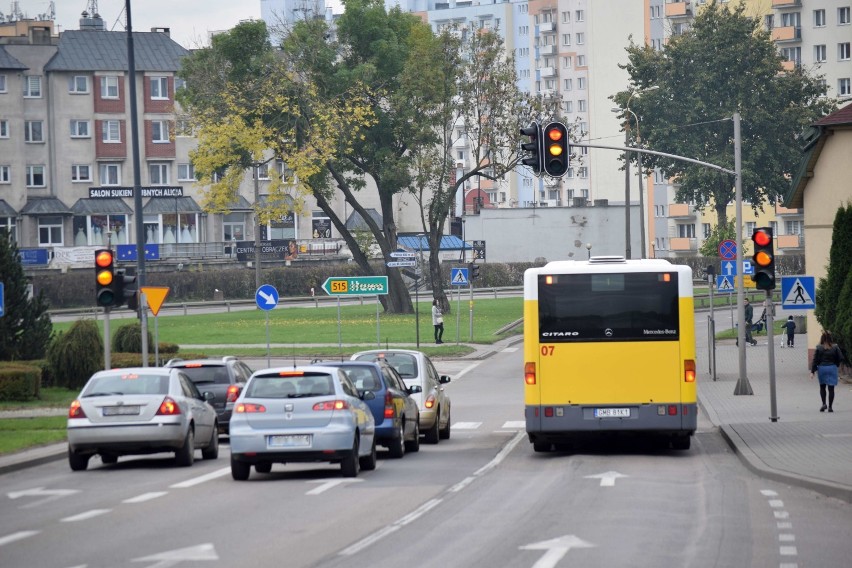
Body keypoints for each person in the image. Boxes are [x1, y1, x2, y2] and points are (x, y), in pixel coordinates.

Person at [810, 331, 847, 412]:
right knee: (831, 389)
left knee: (822, 387)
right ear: (831, 338)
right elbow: (841, 358)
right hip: (832, 368)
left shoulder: (819, 347)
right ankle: (830, 407)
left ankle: (824, 404)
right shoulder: (835, 347)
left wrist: (812, 371)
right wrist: (836, 364)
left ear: (822, 338)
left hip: (822, 368)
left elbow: (815, 360)